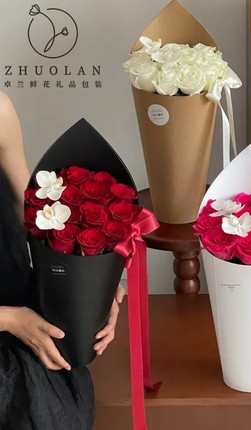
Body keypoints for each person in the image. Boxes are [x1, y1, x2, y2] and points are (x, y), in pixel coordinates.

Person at [0, 91, 125, 429]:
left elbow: (31, 215)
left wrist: (94, 285)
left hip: (25, 316)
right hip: (17, 324)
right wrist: (9, 320)